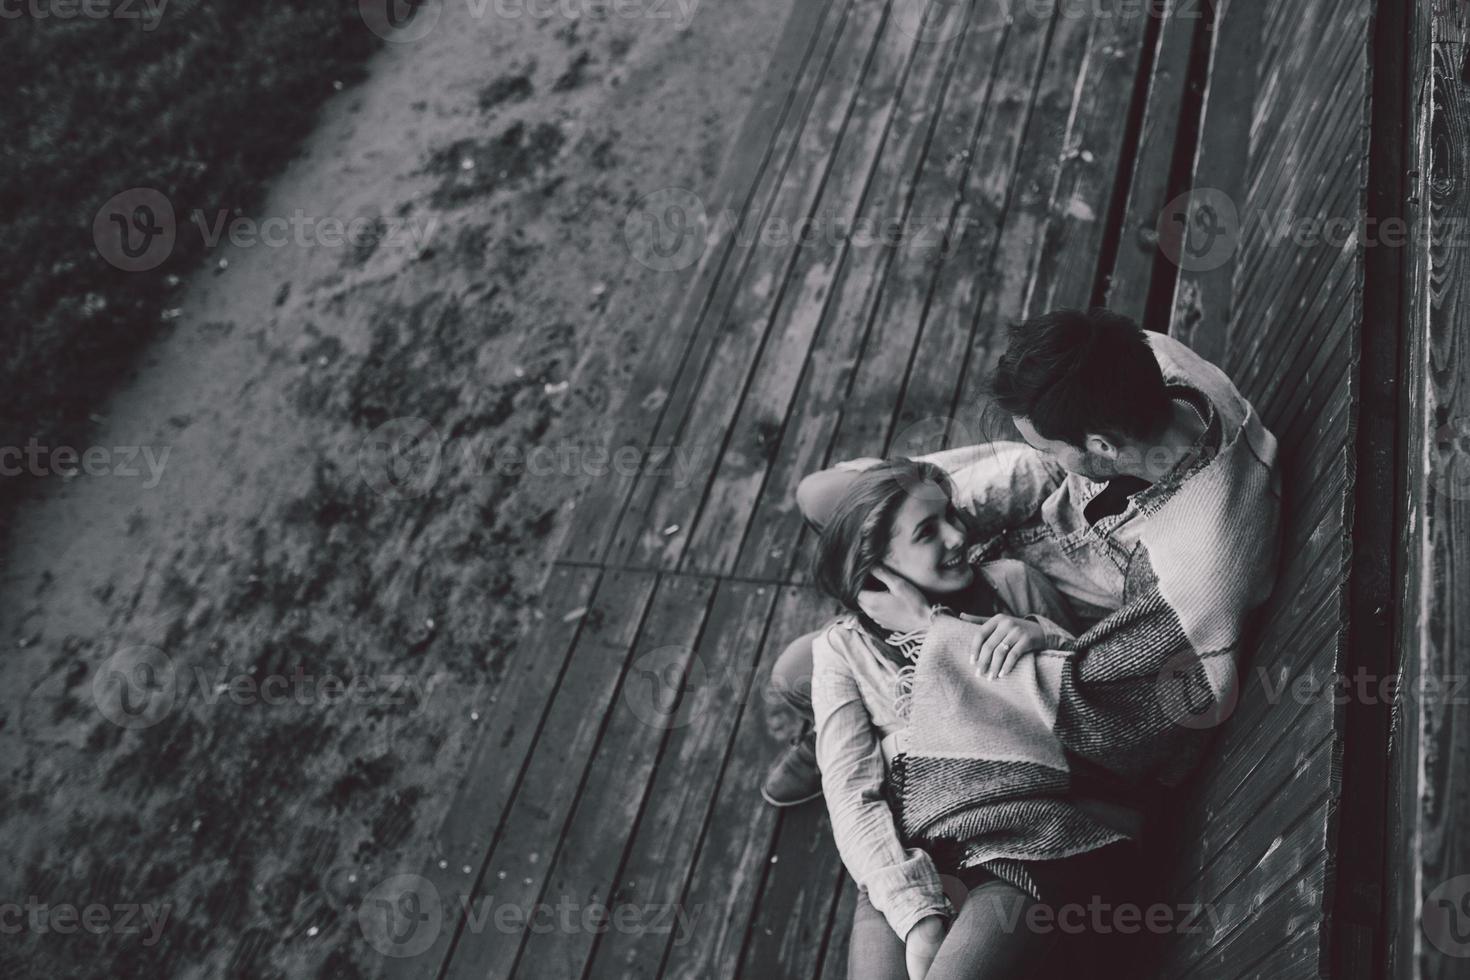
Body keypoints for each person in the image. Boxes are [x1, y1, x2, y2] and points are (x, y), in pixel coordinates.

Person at [762, 307, 1280, 814]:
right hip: (1003, 535)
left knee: (795, 673)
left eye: (1050, 447)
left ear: (1100, 445)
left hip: (1025, 613)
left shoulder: (1191, 577)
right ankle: (869, 651)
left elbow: (1105, 713)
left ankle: (863, 721)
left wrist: (932, 628)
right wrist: (942, 518)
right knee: (819, 495)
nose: (1046, 453)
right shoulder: (1144, 361)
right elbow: (1046, 470)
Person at [808, 458, 1144, 980]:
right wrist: (916, 914)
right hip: (911, 854)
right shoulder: (841, 652)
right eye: (927, 532)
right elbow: (852, 795)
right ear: (874, 567)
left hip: (1028, 833)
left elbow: (1105, 721)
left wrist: (1030, 636)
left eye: (951, 516)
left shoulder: (1011, 586)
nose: (958, 535)